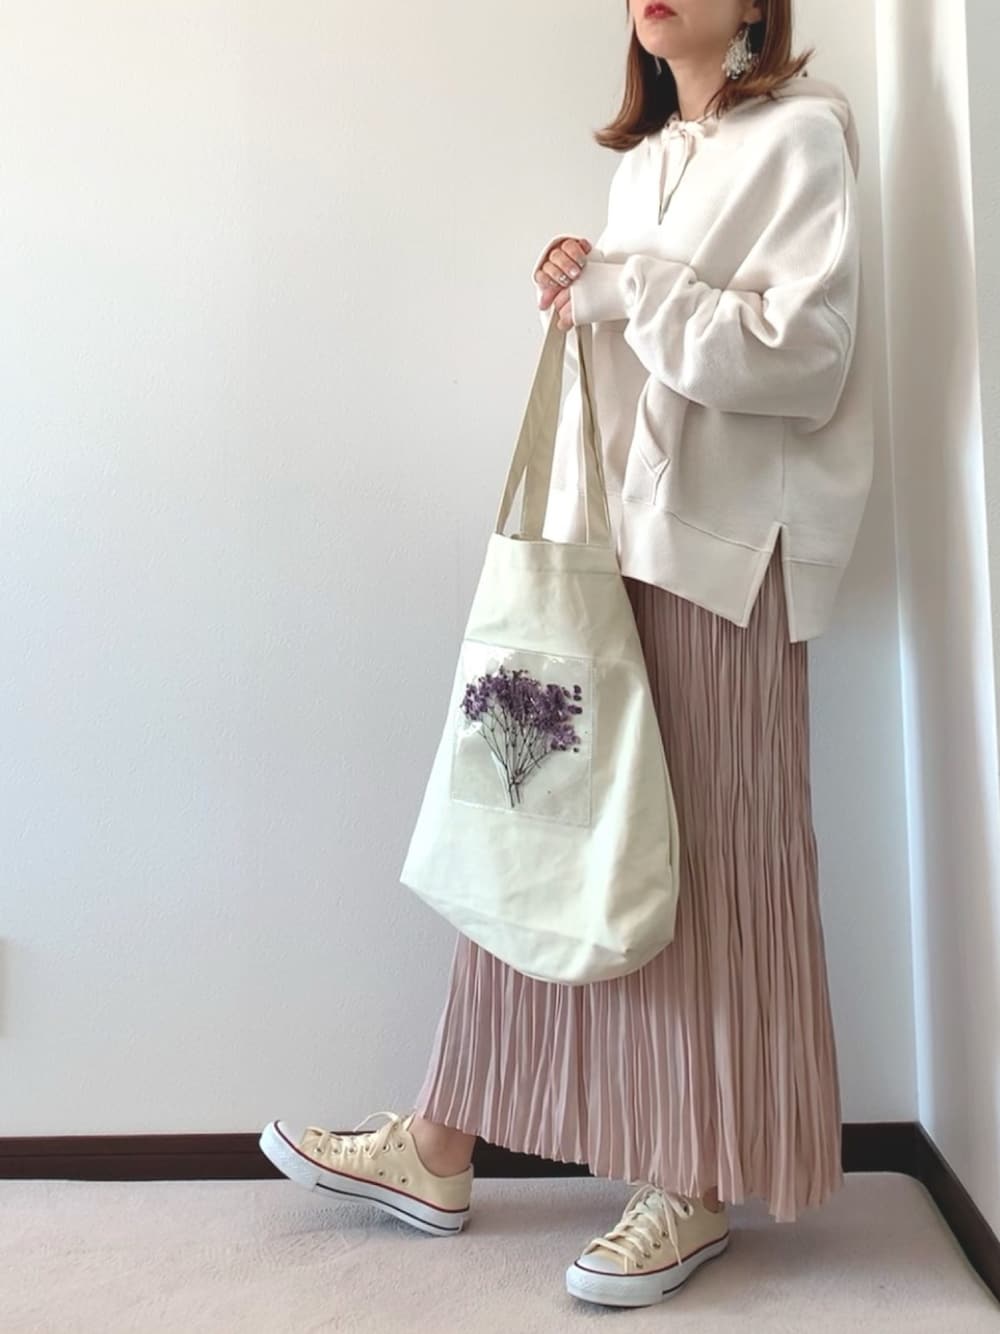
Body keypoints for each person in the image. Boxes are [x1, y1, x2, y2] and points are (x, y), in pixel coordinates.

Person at [260, 0, 874, 1311]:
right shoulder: (643, 167)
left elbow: (807, 359)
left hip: (723, 555)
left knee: (709, 853)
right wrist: (586, 286)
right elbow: (648, 343)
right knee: (536, 817)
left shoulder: (804, 138)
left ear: (755, 4)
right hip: (610, 543)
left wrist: (628, 289)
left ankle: (694, 1178)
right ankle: (442, 1140)